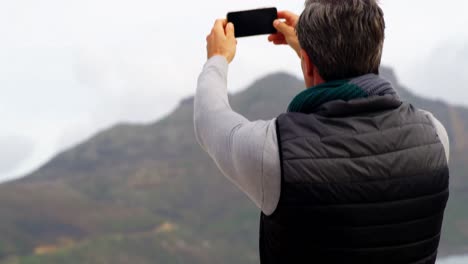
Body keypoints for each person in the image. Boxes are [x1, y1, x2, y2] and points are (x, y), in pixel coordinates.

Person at [194, 1, 450, 263]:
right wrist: (310, 52)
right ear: (377, 48)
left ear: (306, 63)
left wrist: (217, 59)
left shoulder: (274, 154)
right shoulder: (435, 137)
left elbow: (209, 118)